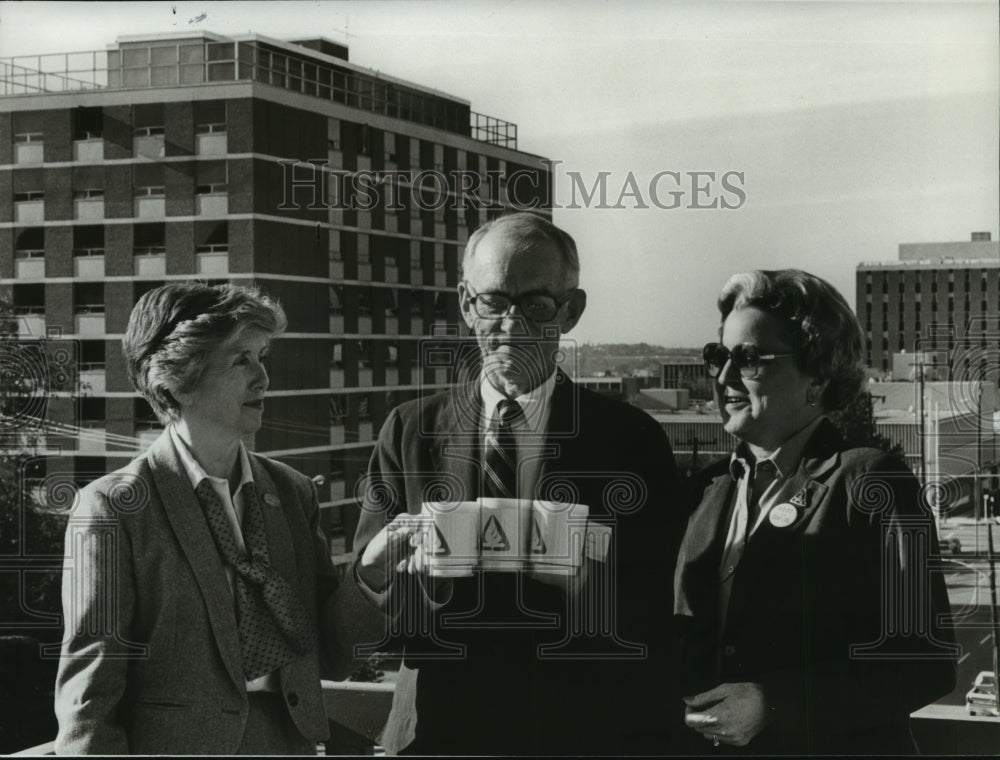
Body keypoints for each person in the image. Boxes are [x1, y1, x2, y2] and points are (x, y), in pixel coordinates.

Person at [351, 212, 684, 755]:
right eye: (494, 302)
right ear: (465, 304)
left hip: (580, 734)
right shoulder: (409, 430)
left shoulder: (631, 440)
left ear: (571, 311)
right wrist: (398, 576)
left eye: (536, 304)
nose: (513, 324)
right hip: (440, 732)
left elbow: (656, 612)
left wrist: (582, 583)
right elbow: (369, 600)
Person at [55, 283, 352, 754]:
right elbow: (91, 693)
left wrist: (374, 583)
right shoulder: (114, 509)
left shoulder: (292, 492)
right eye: (241, 360)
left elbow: (331, 655)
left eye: (262, 357)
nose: (263, 378)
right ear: (175, 381)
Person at [674, 269, 957, 754]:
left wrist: (775, 704)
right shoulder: (707, 490)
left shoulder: (870, 481)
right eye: (718, 356)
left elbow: (923, 662)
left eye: (748, 359)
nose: (723, 378)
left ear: (817, 376)